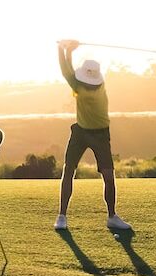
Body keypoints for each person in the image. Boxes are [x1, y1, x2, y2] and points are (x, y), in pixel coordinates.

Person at [54, 40, 131, 231]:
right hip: (82, 132)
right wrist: (67, 50)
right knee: (72, 170)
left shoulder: (79, 86)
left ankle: (111, 217)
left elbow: (66, 71)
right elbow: (68, 71)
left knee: (104, 175)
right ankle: (62, 216)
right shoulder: (98, 83)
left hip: (99, 134)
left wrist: (64, 49)